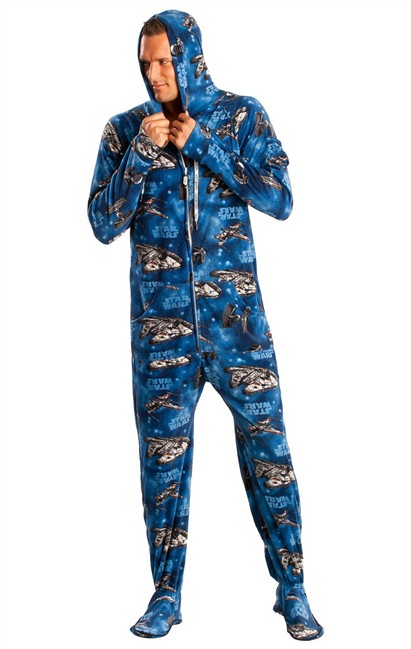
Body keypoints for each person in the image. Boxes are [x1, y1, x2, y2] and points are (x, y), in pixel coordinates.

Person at [87, 9, 324, 642]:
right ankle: (166, 595)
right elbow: (102, 223)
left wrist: (202, 146)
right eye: (145, 62)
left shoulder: (242, 116)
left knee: (270, 455)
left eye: (164, 60)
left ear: (191, 55)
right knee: (162, 468)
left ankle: (293, 588)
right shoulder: (123, 131)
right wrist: (142, 155)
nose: (153, 73)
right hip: (159, 334)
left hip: (237, 329)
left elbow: (281, 199)